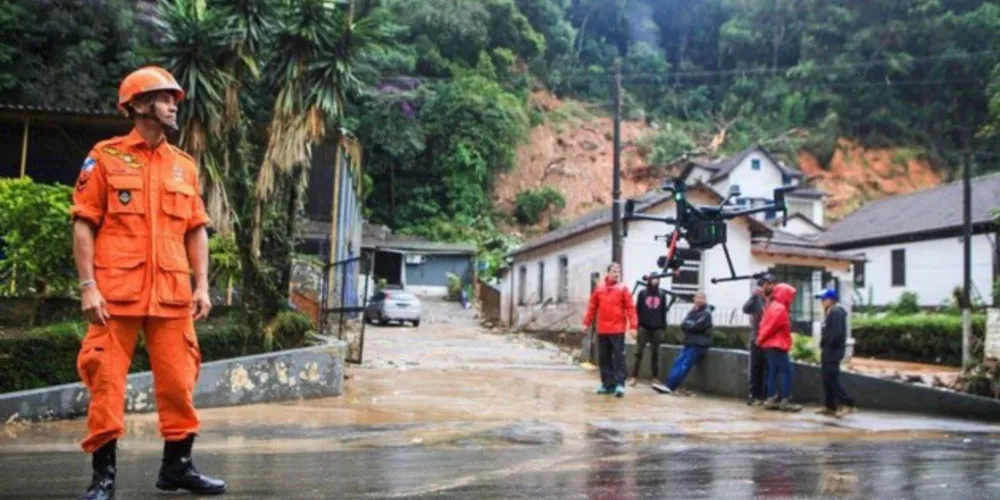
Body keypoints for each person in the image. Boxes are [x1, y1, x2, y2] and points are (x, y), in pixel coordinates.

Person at [71, 66, 225, 499]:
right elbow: (84, 223)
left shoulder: (184, 167)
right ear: (139, 105)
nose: (174, 104)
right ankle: (103, 478)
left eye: (175, 98)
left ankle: (177, 467)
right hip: (114, 297)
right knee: (106, 383)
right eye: (164, 97)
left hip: (173, 296)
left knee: (179, 383)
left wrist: (202, 286)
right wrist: (88, 286)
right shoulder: (104, 157)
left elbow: (196, 229)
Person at [583, 263, 638, 398]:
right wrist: (587, 323)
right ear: (607, 273)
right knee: (604, 358)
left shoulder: (623, 288)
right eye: (613, 271)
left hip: (617, 329)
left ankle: (619, 384)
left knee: (619, 357)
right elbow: (592, 306)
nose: (616, 274)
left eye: (618, 271)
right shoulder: (599, 288)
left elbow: (630, 308)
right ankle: (607, 384)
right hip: (602, 329)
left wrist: (633, 326)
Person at [652, 291, 713, 394]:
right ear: (694, 299)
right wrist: (690, 325)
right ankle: (668, 384)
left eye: (701, 298)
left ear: (705, 300)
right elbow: (683, 323)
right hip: (690, 342)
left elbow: (697, 326)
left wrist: (689, 325)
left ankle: (670, 386)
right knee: (678, 363)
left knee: (684, 365)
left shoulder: (706, 313)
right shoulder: (693, 311)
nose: (699, 300)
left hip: (698, 344)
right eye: (697, 298)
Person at [755, 283, 802, 412]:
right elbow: (770, 326)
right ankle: (785, 401)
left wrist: (761, 339)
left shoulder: (772, 306)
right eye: (790, 295)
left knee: (773, 372)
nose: (792, 298)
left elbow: (764, 325)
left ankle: (771, 399)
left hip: (771, 345)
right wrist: (761, 339)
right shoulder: (780, 308)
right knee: (787, 372)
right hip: (777, 345)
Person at [815, 288, 856, 417]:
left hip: (833, 351)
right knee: (826, 379)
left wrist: (828, 344)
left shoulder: (836, 313)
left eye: (824, 299)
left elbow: (837, 334)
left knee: (832, 379)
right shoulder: (830, 312)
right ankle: (830, 406)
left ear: (831, 300)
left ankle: (848, 403)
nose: (822, 302)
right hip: (828, 350)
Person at [628, 275, 669, 387]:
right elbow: (637, 310)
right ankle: (634, 377)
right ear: (650, 280)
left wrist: (663, 328)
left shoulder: (662, 294)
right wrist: (636, 326)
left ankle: (655, 378)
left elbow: (663, 312)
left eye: (658, 279)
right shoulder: (642, 293)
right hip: (644, 327)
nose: (656, 280)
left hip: (657, 328)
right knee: (638, 353)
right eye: (654, 278)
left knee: (655, 354)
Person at [742, 273, 775, 405]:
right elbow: (746, 309)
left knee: (768, 368)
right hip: (757, 337)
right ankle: (753, 395)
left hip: (769, 338)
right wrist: (753, 296)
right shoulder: (757, 298)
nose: (766, 286)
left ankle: (766, 395)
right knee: (755, 367)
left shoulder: (774, 299)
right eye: (764, 284)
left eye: (769, 284)